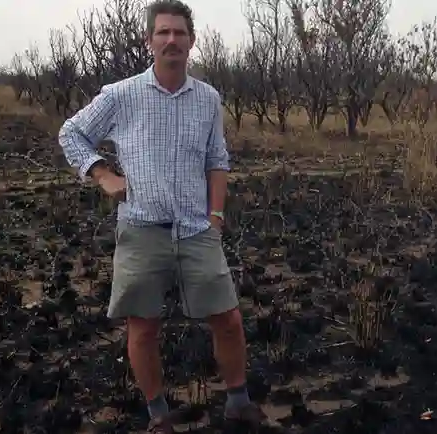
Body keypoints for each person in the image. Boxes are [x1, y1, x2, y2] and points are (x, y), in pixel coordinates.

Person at [57, 1, 275, 432]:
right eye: (163, 33)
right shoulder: (121, 95)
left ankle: (237, 401)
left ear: (192, 42)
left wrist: (215, 216)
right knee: (144, 328)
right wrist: (103, 174)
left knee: (228, 320)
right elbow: (71, 132)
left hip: (197, 230)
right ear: (149, 41)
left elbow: (217, 160)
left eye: (179, 33)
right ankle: (158, 417)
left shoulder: (208, 98)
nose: (171, 40)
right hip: (141, 230)